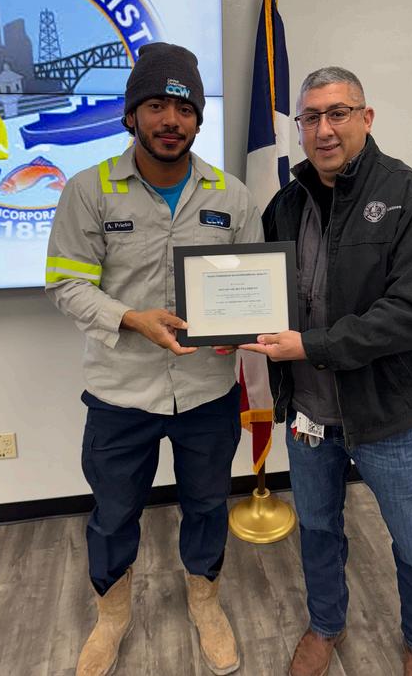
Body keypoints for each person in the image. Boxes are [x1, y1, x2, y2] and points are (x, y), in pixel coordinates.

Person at [46, 42, 263, 676]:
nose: (171, 120)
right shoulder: (90, 191)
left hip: (206, 392)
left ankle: (205, 601)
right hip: (121, 394)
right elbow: (67, 284)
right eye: (156, 106)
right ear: (132, 115)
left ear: (198, 119)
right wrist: (129, 318)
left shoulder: (231, 195)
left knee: (206, 505)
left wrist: (243, 328)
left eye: (184, 108)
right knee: (114, 513)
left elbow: (253, 284)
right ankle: (112, 616)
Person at [240, 66, 412, 676]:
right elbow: (263, 293)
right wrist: (231, 327)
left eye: (338, 113)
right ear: (299, 128)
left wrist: (309, 345)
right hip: (308, 413)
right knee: (317, 529)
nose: (324, 129)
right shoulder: (286, 204)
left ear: (366, 117)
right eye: (310, 118)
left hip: (387, 415)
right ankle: (325, 625)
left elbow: (411, 316)